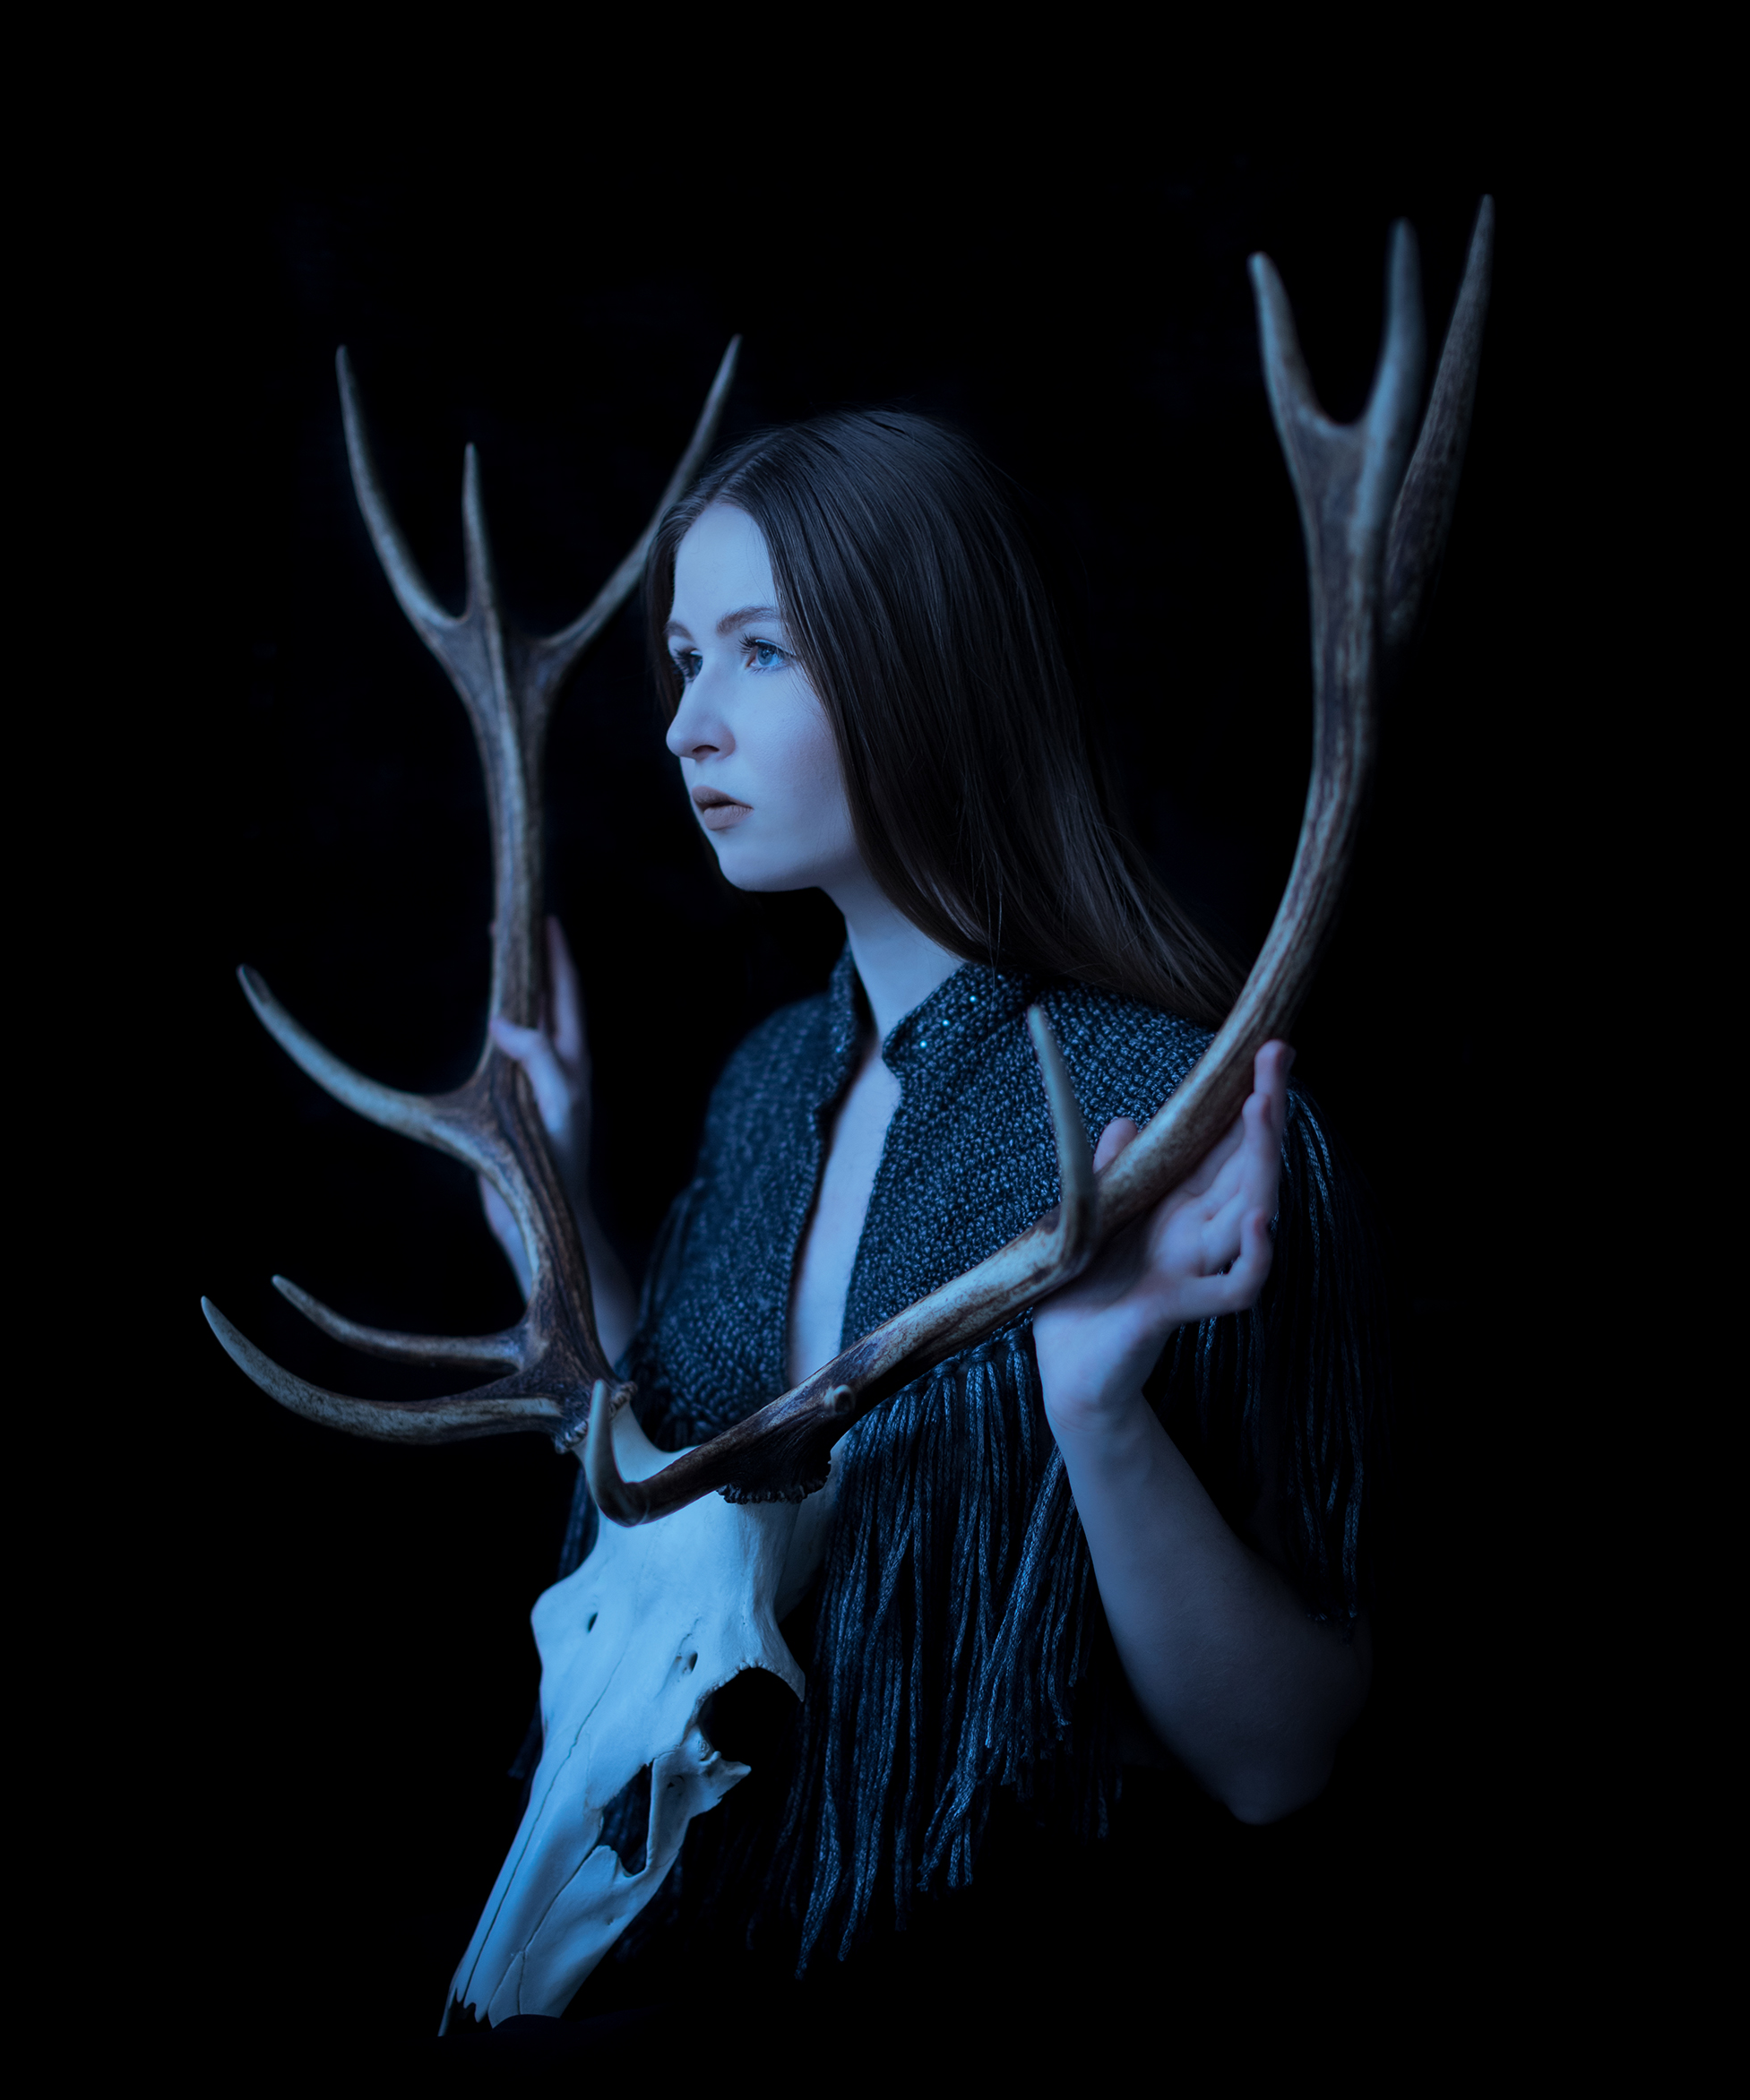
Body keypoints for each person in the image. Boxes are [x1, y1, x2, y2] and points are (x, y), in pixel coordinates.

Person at [471, 409, 1384, 2020]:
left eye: (761, 653)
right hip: (690, 1983)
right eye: (683, 659)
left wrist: (1099, 1414)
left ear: (928, 665)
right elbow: (696, 1532)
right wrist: (551, 1214)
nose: (686, 725)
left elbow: (1278, 1759)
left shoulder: (1175, 1124)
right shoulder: (767, 1087)